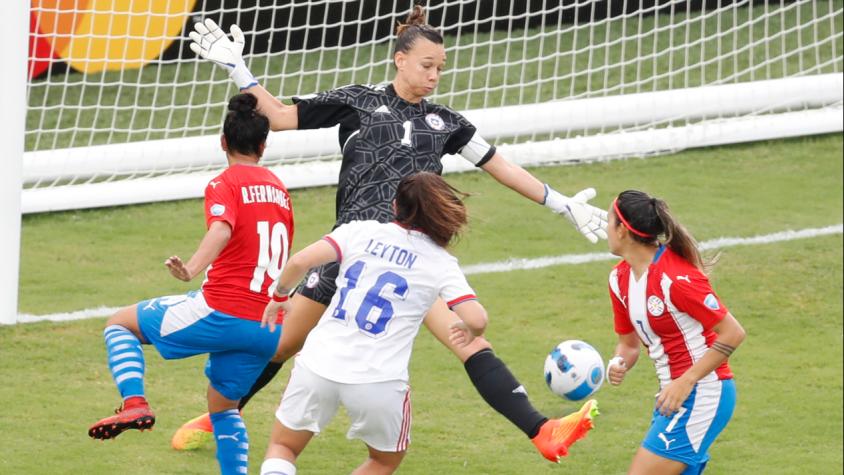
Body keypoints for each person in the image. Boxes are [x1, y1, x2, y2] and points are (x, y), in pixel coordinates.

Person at [180, 6, 606, 462]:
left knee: (469, 343)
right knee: (283, 343)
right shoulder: (357, 101)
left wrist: (561, 203)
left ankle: (543, 431)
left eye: (440, 68)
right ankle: (219, 416)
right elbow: (281, 116)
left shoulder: (447, 123)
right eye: (427, 65)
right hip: (348, 252)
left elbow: (500, 166)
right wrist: (238, 69)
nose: (434, 76)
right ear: (400, 59)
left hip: (414, 258)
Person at [87, 93, 295, 475]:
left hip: (220, 310)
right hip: (265, 326)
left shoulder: (225, 182)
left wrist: (193, 267)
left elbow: (221, 227)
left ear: (222, 141)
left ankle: (134, 402)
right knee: (224, 409)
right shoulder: (280, 190)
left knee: (120, 323)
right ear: (264, 146)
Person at [258, 172, 497, 474]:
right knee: (384, 460)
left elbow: (298, 263)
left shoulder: (359, 231)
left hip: (318, 364)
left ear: (395, 207)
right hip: (379, 380)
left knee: (284, 447)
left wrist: (281, 295)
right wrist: (471, 330)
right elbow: (477, 317)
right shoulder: (440, 262)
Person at [603, 190, 746, 475]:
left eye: (609, 220)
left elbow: (733, 332)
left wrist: (686, 380)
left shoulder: (675, 279)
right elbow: (628, 345)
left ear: (622, 230)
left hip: (702, 392)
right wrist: (618, 362)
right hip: (671, 397)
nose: (605, 227)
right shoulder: (619, 279)